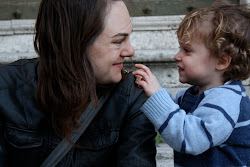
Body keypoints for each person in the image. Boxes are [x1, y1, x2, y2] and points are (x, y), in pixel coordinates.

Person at [0, 0, 157, 166]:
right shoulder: (7, 91)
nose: (130, 51)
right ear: (76, 42)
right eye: (118, 41)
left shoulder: (130, 97)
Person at [133, 3, 250, 167]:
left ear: (221, 61)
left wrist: (157, 96)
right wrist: (154, 92)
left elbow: (190, 138)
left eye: (186, 50)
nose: (176, 56)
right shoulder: (193, 94)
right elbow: (174, 119)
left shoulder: (226, 100)